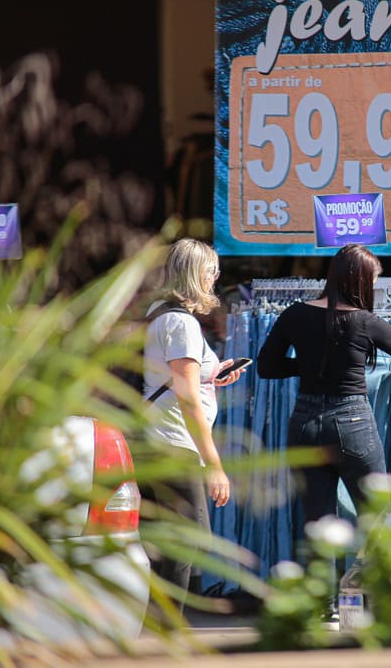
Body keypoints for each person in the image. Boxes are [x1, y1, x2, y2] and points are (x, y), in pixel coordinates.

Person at [256, 244, 391, 526]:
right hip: (352, 423)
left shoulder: (294, 314)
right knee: (378, 521)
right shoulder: (365, 322)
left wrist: (310, 366)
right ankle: (377, 572)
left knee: (319, 528)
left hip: (305, 424)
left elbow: (267, 367)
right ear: (361, 281)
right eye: (373, 282)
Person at [142, 238, 243, 605]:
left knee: (167, 546)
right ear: (197, 274)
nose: (216, 277)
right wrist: (214, 463)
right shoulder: (181, 323)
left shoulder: (158, 312)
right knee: (185, 548)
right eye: (212, 270)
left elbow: (175, 380)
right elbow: (185, 398)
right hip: (174, 443)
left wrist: (211, 377)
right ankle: (168, 637)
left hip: (155, 440)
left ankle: (155, 634)